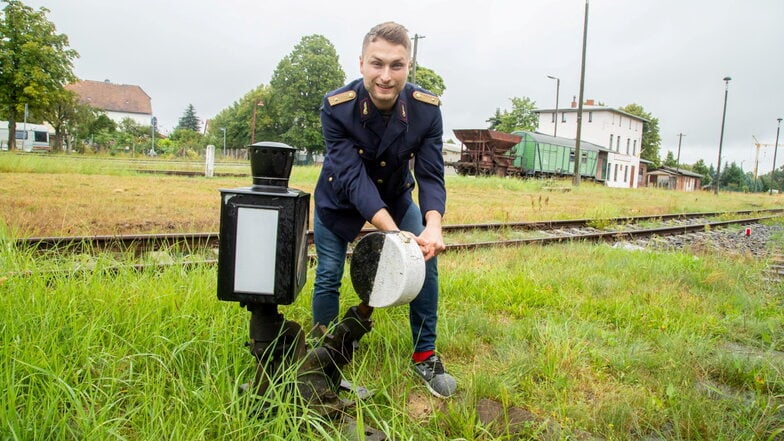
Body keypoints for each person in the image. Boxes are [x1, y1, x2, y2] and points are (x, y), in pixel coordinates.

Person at [311, 21, 456, 398]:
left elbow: (430, 172)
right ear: (361, 64)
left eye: (397, 65)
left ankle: (425, 356)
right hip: (340, 198)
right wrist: (392, 233)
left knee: (425, 260)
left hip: (395, 196)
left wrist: (433, 226)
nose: (386, 76)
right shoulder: (336, 107)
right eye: (377, 64)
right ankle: (325, 359)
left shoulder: (426, 110)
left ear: (409, 67)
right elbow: (352, 177)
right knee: (328, 272)